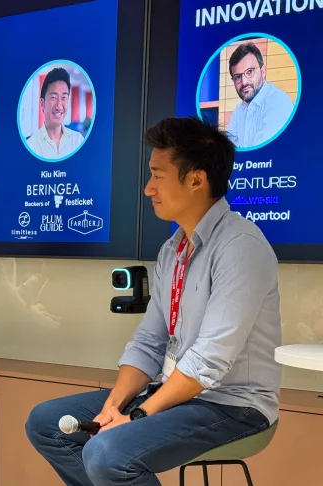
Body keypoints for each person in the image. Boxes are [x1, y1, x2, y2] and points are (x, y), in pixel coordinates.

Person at [25, 116, 281, 486]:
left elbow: (209, 360)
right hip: (176, 391)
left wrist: (138, 416)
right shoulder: (173, 250)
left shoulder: (240, 247)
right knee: (47, 424)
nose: (148, 189)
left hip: (234, 405)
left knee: (107, 454)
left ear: (196, 179)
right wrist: (113, 406)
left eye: (158, 175)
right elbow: (149, 342)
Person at [225, 42, 294, 148]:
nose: (244, 82)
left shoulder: (278, 101)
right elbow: (228, 149)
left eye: (250, 71)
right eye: (237, 77)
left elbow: (262, 153)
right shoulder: (239, 110)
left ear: (263, 71)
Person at [27, 67, 84, 160]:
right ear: (42, 103)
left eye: (64, 97)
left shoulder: (78, 141)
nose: (59, 106)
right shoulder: (31, 146)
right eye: (53, 97)